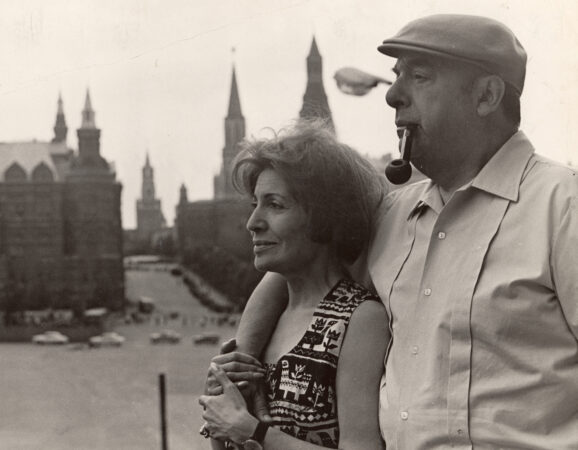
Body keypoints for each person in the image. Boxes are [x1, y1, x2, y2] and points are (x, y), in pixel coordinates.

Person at [228, 14, 578, 450]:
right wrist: (243, 362)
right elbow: (293, 268)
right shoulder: (392, 215)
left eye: (419, 77)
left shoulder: (564, 205)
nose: (393, 95)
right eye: (396, 76)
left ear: (487, 95)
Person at [198, 121, 390, 449]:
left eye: (275, 205)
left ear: (324, 216)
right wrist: (220, 410)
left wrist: (251, 430)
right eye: (255, 205)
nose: (252, 223)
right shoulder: (270, 318)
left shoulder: (360, 318)